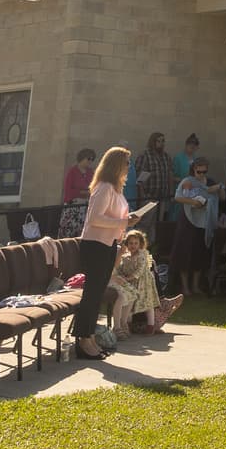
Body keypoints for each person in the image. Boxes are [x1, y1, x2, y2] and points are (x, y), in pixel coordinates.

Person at [74, 146, 140, 360]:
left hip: (108, 244)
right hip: (95, 245)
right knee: (91, 295)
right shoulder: (103, 187)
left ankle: (90, 337)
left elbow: (116, 218)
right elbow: (95, 218)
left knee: (97, 295)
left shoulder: (116, 189)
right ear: (116, 165)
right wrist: (124, 222)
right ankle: (83, 340)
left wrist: (127, 221)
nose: (129, 167)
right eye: (127, 163)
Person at [171, 156, 218, 298]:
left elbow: (219, 197)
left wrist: (218, 189)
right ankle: (185, 287)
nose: (202, 174)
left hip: (203, 222)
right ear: (194, 170)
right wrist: (193, 202)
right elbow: (178, 197)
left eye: (204, 172)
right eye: (199, 172)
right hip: (188, 221)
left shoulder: (209, 182)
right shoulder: (188, 181)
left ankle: (195, 286)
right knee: (185, 253)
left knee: (200, 252)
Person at [110, 229, 169, 337]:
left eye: (136, 243)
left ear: (140, 244)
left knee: (148, 303)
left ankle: (151, 325)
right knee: (130, 302)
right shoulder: (126, 256)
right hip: (131, 282)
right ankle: (127, 324)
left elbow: (140, 270)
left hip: (144, 283)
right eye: (130, 243)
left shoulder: (142, 255)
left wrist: (129, 277)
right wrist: (122, 276)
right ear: (126, 244)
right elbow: (121, 268)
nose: (133, 245)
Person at [134, 132, 176, 240]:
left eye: (163, 141)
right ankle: (139, 246)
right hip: (148, 196)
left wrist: (171, 193)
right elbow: (139, 177)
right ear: (153, 142)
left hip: (162, 197)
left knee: (157, 225)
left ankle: (152, 246)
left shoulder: (166, 157)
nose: (161, 143)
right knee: (145, 224)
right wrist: (142, 196)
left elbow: (170, 175)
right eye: (158, 141)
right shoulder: (144, 155)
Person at [59, 147, 97, 238]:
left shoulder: (91, 172)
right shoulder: (72, 171)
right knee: (69, 232)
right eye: (88, 159)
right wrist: (82, 192)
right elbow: (68, 190)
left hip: (85, 207)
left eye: (92, 159)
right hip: (73, 207)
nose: (90, 161)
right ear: (82, 157)